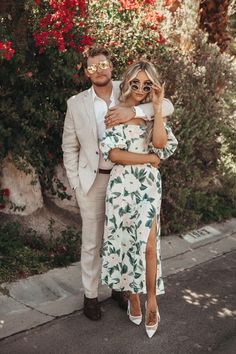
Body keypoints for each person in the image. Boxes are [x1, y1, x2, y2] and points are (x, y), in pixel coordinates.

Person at [62, 47, 174, 321]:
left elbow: (166, 105)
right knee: (92, 242)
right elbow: (69, 147)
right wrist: (77, 184)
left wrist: (132, 111)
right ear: (86, 72)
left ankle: (119, 288)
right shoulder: (75, 103)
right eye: (92, 67)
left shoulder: (127, 87)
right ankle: (90, 296)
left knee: (123, 238)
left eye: (103, 64)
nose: (98, 70)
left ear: (111, 67)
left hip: (129, 179)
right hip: (95, 179)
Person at [100, 60, 178, 337]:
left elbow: (160, 144)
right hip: (122, 186)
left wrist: (156, 109)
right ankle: (132, 295)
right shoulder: (115, 112)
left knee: (148, 245)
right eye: (136, 83)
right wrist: (148, 159)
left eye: (147, 85)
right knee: (128, 242)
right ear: (128, 82)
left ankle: (152, 301)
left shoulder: (151, 113)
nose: (141, 89)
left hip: (147, 186)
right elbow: (114, 155)